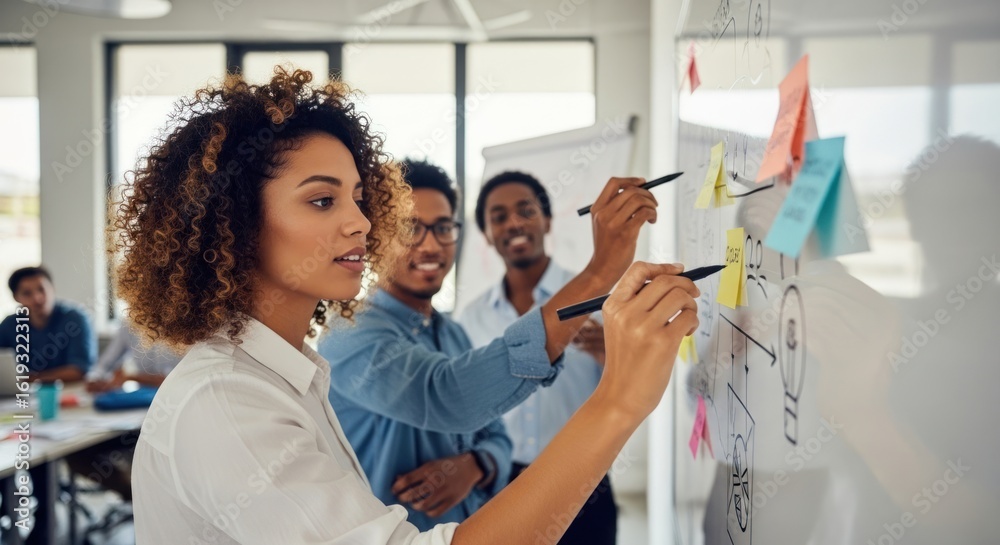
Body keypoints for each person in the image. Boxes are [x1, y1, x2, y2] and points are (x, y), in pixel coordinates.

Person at [120, 67, 699, 544]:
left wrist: (479, 464)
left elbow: (486, 427)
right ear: (235, 225)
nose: (362, 223)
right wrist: (621, 398)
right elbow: (449, 395)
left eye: (358, 198)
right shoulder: (227, 401)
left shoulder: (295, 372)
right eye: (323, 200)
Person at [318, 159, 512, 530]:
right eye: (410, 229)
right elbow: (443, 393)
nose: (431, 246)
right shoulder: (348, 332)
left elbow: (498, 435)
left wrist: (475, 466)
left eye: (443, 228)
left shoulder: (453, 334)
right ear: (374, 237)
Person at [456, 170, 615, 544]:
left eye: (525, 210)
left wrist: (613, 353)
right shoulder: (473, 316)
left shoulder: (597, 304)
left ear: (547, 221)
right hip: (502, 487)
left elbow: (629, 387)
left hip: (584, 484)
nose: (513, 223)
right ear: (488, 234)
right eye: (498, 217)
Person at [0, 265, 96, 382]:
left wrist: (31, 379)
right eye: (27, 293)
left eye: (41, 289)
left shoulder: (76, 319)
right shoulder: (9, 325)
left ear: (52, 288)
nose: (37, 298)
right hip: (21, 395)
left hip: (67, 391)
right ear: (16, 297)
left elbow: (79, 370)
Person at [86, 321, 184, 392]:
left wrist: (130, 377)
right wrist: (94, 379)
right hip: (143, 397)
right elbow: (105, 364)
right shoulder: (130, 324)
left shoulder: (184, 325)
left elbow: (171, 380)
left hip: (176, 395)